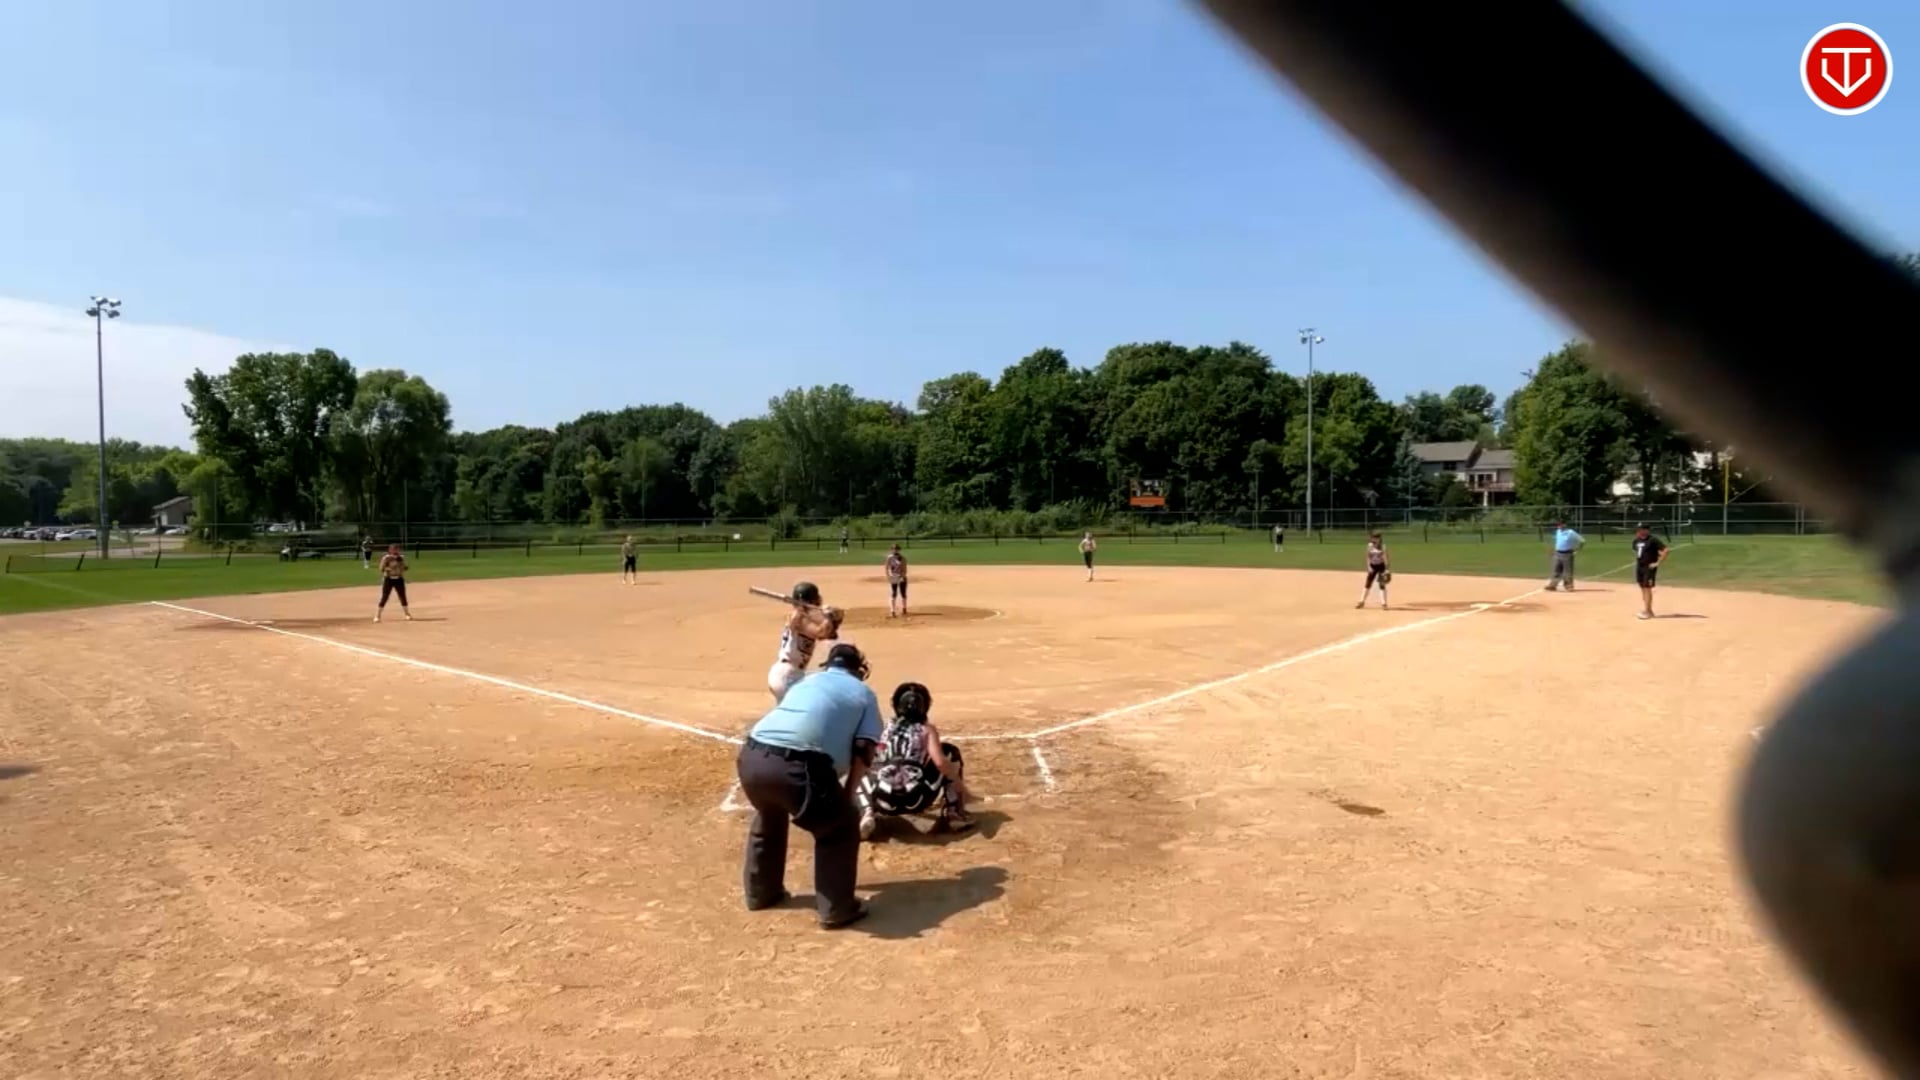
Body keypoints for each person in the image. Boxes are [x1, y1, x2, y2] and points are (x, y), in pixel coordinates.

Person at [737, 642, 882, 930]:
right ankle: (837, 908)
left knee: (770, 812)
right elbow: (864, 750)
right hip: (798, 765)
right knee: (840, 825)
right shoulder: (864, 693)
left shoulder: (806, 682)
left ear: (828, 665)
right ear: (859, 670)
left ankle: (761, 893)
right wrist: (846, 798)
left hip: (751, 757)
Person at [857, 682, 974, 839]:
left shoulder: (884, 728)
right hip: (917, 798)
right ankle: (954, 814)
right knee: (949, 752)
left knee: (859, 765)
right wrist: (958, 783)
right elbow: (940, 763)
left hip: (884, 800)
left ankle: (866, 812)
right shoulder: (927, 729)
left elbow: (872, 757)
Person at [767, 581, 842, 702]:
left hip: (792, 673)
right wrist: (829, 619)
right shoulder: (798, 618)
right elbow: (821, 633)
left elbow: (831, 635)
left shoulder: (805, 618)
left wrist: (832, 620)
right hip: (787, 674)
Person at [1632, 523, 1670, 620]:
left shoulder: (1652, 540)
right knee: (1642, 587)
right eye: (1638, 529)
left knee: (1647, 588)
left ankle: (1647, 611)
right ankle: (1648, 610)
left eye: (1641, 529)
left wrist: (1657, 562)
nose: (1638, 531)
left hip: (1649, 567)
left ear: (1646, 530)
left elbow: (1665, 550)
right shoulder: (1636, 540)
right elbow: (1637, 551)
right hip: (1639, 567)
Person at [375, 544, 413, 623]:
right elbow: (381, 568)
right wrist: (388, 568)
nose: (395, 551)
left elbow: (406, 567)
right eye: (393, 549)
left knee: (402, 596)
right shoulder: (386, 558)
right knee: (385, 597)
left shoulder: (401, 558)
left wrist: (403, 567)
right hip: (389, 579)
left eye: (396, 549)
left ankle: (407, 614)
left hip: (399, 579)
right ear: (390, 550)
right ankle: (377, 615)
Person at [1546, 520, 1584, 591]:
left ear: (1564, 525)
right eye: (1558, 525)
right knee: (1556, 569)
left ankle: (1568, 586)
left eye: (1560, 525)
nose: (1559, 526)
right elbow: (1556, 541)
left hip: (1567, 553)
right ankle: (1553, 585)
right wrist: (1552, 550)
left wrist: (1577, 550)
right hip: (1557, 553)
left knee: (1567, 571)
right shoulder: (1558, 531)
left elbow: (1582, 541)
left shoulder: (1571, 532)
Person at [1356, 532, 1390, 610]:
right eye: (1373, 538)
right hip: (1373, 566)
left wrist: (1387, 569)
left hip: (1381, 566)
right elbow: (1368, 556)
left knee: (1381, 585)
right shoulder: (1370, 545)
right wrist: (1369, 567)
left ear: (1379, 538)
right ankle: (1361, 601)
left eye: (1375, 538)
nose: (1373, 539)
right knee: (1368, 583)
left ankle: (1384, 604)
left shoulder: (1383, 546)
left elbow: (1386, 558)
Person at [884, 543, 909, 618]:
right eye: (894, 549)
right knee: (894, 593)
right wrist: (888, 576)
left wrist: (902, 576)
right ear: (891, 550)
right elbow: (886, 567)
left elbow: (905, 569)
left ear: (899, 550)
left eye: (897, 549)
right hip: (893, 577)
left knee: (903, 593)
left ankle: (904, 608)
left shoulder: (902, 558)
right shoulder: (889, 557)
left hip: (901, 576)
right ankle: (892, 611)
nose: (895, 550)